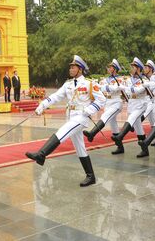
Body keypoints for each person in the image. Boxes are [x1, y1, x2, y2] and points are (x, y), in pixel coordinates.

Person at [25, 55, 106, 187]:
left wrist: (89, 110)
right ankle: (91, 176)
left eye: (73, 67)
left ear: (80, 69)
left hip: (81, 116)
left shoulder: (89, 84)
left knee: (62, 131)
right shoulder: (68, 84)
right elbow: (56, 96)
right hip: (71, 116)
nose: (70, 69)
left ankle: (41, 154)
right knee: (80, 148)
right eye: (70, 67)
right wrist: (42, 105)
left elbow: (102, 99)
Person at [112, 58, 152, 158]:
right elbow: (129, 92)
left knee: (131, 119)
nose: (131, 68)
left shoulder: (144, 80)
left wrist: (127, 89)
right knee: (138, 128)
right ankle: (145, 150)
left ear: (138, 68)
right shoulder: (129, 79)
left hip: (141, 104)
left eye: (133, 67)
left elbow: (138, 91)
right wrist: (128, 89)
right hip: (132, 104)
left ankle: (120, 136)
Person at [84, 59, 126, 155]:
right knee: (113, 125)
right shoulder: (105, 79)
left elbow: (116, 88)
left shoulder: (120, 79)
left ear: (115, 69)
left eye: (111, 67)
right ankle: (120, 147)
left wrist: (106, 87)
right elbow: (100, 88)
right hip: (108, 102)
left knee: (105, 116)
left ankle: (92, 133)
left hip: (116, 102)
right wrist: (105, 86)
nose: (109, 68)